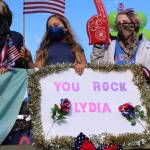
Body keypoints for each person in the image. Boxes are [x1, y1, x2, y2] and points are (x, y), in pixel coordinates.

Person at [91, 8, 150, 76]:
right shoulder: (111, 46)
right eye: (119, 23)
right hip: (117, 85)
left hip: (140, 86)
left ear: (134, 24)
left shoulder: (147, 47)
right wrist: (98, 46)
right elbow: (97, 67)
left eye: (125, 22)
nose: (122, 25)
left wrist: (147, 73)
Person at [22, 14, 87, 75]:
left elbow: (87, 68)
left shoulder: (76, 48)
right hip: (50, 86)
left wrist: (81, 65)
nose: (52, 28)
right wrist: (29, 60)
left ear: (66, 28)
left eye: (56, 25)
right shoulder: (43, 50)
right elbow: (36, 73)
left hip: (71, 85)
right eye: (49, 27)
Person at [0, 0, 30, 74]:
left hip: (12, 82)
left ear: (7, 17)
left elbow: (23, 67)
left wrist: (27, 59)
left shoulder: (17, 37)